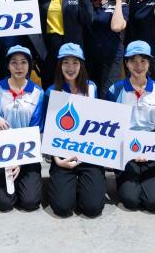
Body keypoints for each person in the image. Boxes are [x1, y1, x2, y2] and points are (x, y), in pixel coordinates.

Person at [107, 41, 155, 212]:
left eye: (143, 61)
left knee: (154, 203)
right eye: (133, 61)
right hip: (126, 152)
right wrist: (129, 151)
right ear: (126, 63)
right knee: (131, 201)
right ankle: (128, 180)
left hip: (153, 151)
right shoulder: (115, 90)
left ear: (149, 63)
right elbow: (111, 130)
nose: (138, 66)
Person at [42, 43, 105, 218]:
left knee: (93, 208)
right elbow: (48, 130)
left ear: (81, 65)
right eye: (66, 62)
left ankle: (85, 186)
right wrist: (57, 159)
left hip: (89, 154)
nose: (70, 67)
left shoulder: (92, 88)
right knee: (62, 208)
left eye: (75, 62)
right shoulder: (51, 92)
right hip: (62, 154)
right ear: (59, 65)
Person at [0, 45, 44, 212]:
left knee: (30, 202)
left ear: (30, 65)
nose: (19, 67)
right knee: (4, 203)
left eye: (23, 62)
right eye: (14, 62)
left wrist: (19, 159)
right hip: (1, 152)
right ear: (8, 66)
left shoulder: (38, 92)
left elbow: (35, 130)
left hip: (27, 152)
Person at [32, 0, 91, 89]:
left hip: (72, 48)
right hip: (49, 49)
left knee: (73, 86)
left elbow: (88, 19)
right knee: (50, 86)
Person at [85, 0, 128, 99]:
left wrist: (118, 1)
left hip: (111, 58)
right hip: (89, 58)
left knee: (107, 96)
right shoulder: (89, 2)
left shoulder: (122, 5)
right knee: (90, 95)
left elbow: (117, 26)